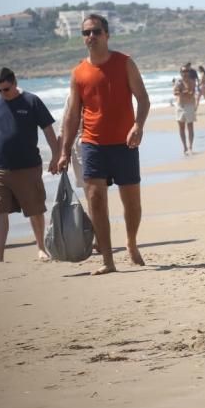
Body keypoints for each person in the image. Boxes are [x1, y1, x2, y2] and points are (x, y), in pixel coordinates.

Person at [57, 14, 150, 275]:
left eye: (96, 31)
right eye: (86, 33)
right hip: (92, 144)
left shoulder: (125, 63)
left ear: (107, 35)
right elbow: (72, 114)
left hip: (125, 143)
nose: (91, 37)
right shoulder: (78, 73)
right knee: (96, 200)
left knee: (131, 201)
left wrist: (138, 125)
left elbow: (143, 99)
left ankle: (131, 242)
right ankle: (108, 260)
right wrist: (64, 151)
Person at [0, 68, 60, 263]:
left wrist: (56, 156)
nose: (3, 94)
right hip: (0, 168)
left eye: (6, 89)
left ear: (14, 82)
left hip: (28, 167)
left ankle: (41, 248)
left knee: (35, 209)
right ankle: (0, 254)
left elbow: (47, 129)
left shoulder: (31, 101)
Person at [173, 65, 197, 154]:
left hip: (189, 105)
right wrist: (181, 92)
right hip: (180, 106)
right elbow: (175, 92)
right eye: (183, 71)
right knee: (181, 127)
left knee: (190, 126)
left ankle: (190, 146)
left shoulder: (192, 81)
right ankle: (185, 147)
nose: (185, 73)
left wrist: (182, 92)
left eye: (187, 71)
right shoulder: (178, 82)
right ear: (181, 73)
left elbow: (191, 93)